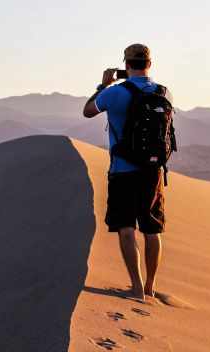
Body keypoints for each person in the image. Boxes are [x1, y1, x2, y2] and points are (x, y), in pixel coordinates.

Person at [82, 44, 173, 301]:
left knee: (126, 227)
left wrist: (103, 86)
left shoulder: (116, 93)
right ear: (150, 63)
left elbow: (88, 111)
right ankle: (150, 287)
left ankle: (136, 287)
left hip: (123, 170)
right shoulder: (164, 93)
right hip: (153, 170)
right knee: (152, 229)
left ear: (126, 64)